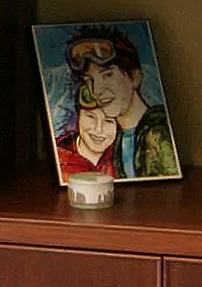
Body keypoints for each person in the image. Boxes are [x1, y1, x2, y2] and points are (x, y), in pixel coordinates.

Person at [63, 26, 178, 179]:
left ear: (135, 77)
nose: (96, 91)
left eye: (107, 76)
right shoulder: (117, 140)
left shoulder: (158, 133)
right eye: (89, 80)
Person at [55, 93, 118, 178]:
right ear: (78, 117)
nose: (98, 129)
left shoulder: (120, 160)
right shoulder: (58, 157)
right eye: (91, 117)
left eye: (108, 121)